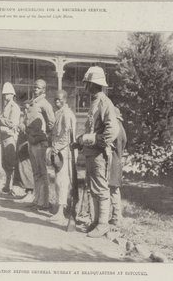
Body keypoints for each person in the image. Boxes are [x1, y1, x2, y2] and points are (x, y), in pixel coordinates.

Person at [77, 66, 119, 238]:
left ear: (93, 84)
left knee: (101, 188)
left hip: (99, 154)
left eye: (87, 83)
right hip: (91, 153)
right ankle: (96, 221)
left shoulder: (104, 103)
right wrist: (81, 140)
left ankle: (103, 224)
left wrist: (93, 140)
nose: (85, 86)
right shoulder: (94, 101)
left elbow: (112, 130)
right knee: (93, 187)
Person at [24, 79, 55, 211]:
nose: (35, 89)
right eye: (34, 87)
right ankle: (37, 199)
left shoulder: (45, 104)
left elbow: (52, 122)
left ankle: (44, 202)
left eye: (37, 88)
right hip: (31, 141)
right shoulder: (33, 102)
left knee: (43, 173)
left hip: (40, 143)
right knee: (36, 173)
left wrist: (44, 136)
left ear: (43, 90)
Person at [49, 90, 76, 223]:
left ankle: (61, 211)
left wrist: (56, 148)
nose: (57, 102)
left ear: (65, 100)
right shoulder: (58, 113)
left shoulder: (66, 114)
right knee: (58, 181)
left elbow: (67, 135)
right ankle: (59, 208)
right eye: (55, 99)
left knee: (62, 181)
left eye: (59, 99)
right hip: (58, 151)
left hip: (65, 152)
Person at [0, 82, 21, 194]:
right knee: (5, 163)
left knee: (11, 163)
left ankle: (12, 187)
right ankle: (7, 186)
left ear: (12, 94)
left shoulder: (14, 107)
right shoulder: (6, 106)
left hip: (10, 137)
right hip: (3, 137)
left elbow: (13, 123)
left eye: (7, 94)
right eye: (4, 94)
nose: (5, 96)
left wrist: (0, 119)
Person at [109, 106, 127, 227]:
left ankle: (116, 217)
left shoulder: (115, 129)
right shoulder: (122, 128)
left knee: (113, 190)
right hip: (118, 160)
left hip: (113, 161)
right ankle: (116, 216)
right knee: (114, 189)